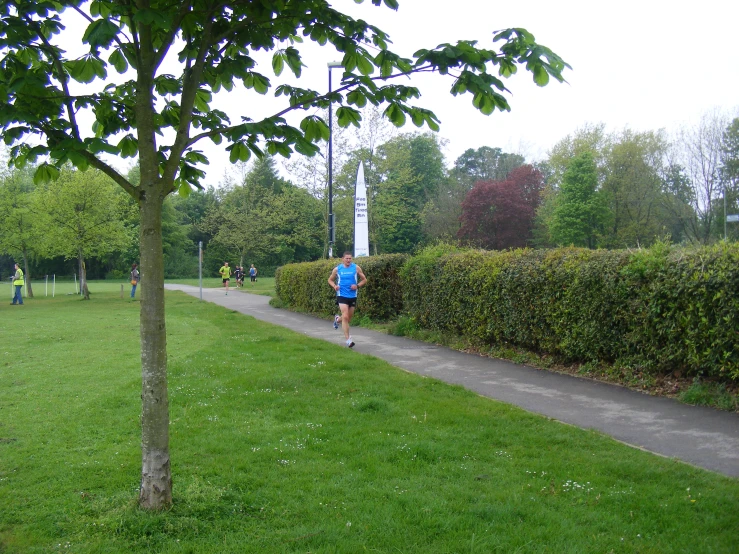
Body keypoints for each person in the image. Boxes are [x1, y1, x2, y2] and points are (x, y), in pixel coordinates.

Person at [327, 251, 367, 348]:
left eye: (350, 258)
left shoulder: (356, 268)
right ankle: (348, 340)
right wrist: (335, 286)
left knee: (348, 318)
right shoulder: (337, 269)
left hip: (352, 295)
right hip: (341, 294)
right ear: (343, 259)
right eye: (347, 258)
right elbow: (330, 280)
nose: (348, 260)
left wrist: (357, 286)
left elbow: (365, 280)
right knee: (345, 316)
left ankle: (337, 319)